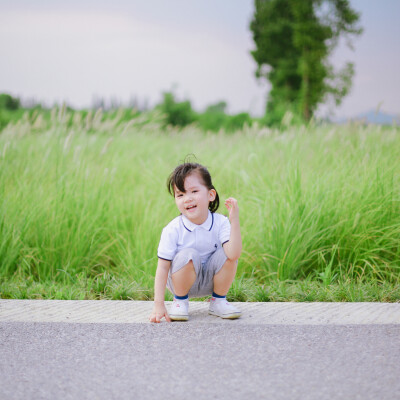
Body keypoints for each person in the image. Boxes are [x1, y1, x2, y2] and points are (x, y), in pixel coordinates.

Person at [149, 161, 242, 323]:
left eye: (194, 191)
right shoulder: (173, 229)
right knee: (189, 254)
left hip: (210, 281)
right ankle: (180, 302)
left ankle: (218, 301)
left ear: (210, 195)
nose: (188, 199)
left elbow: (234, 254)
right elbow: (163, 267)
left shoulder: (220, 222)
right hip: (181, 281)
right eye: (180, 194)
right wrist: (159, 305)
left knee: (226, 254)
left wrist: (234, 221)